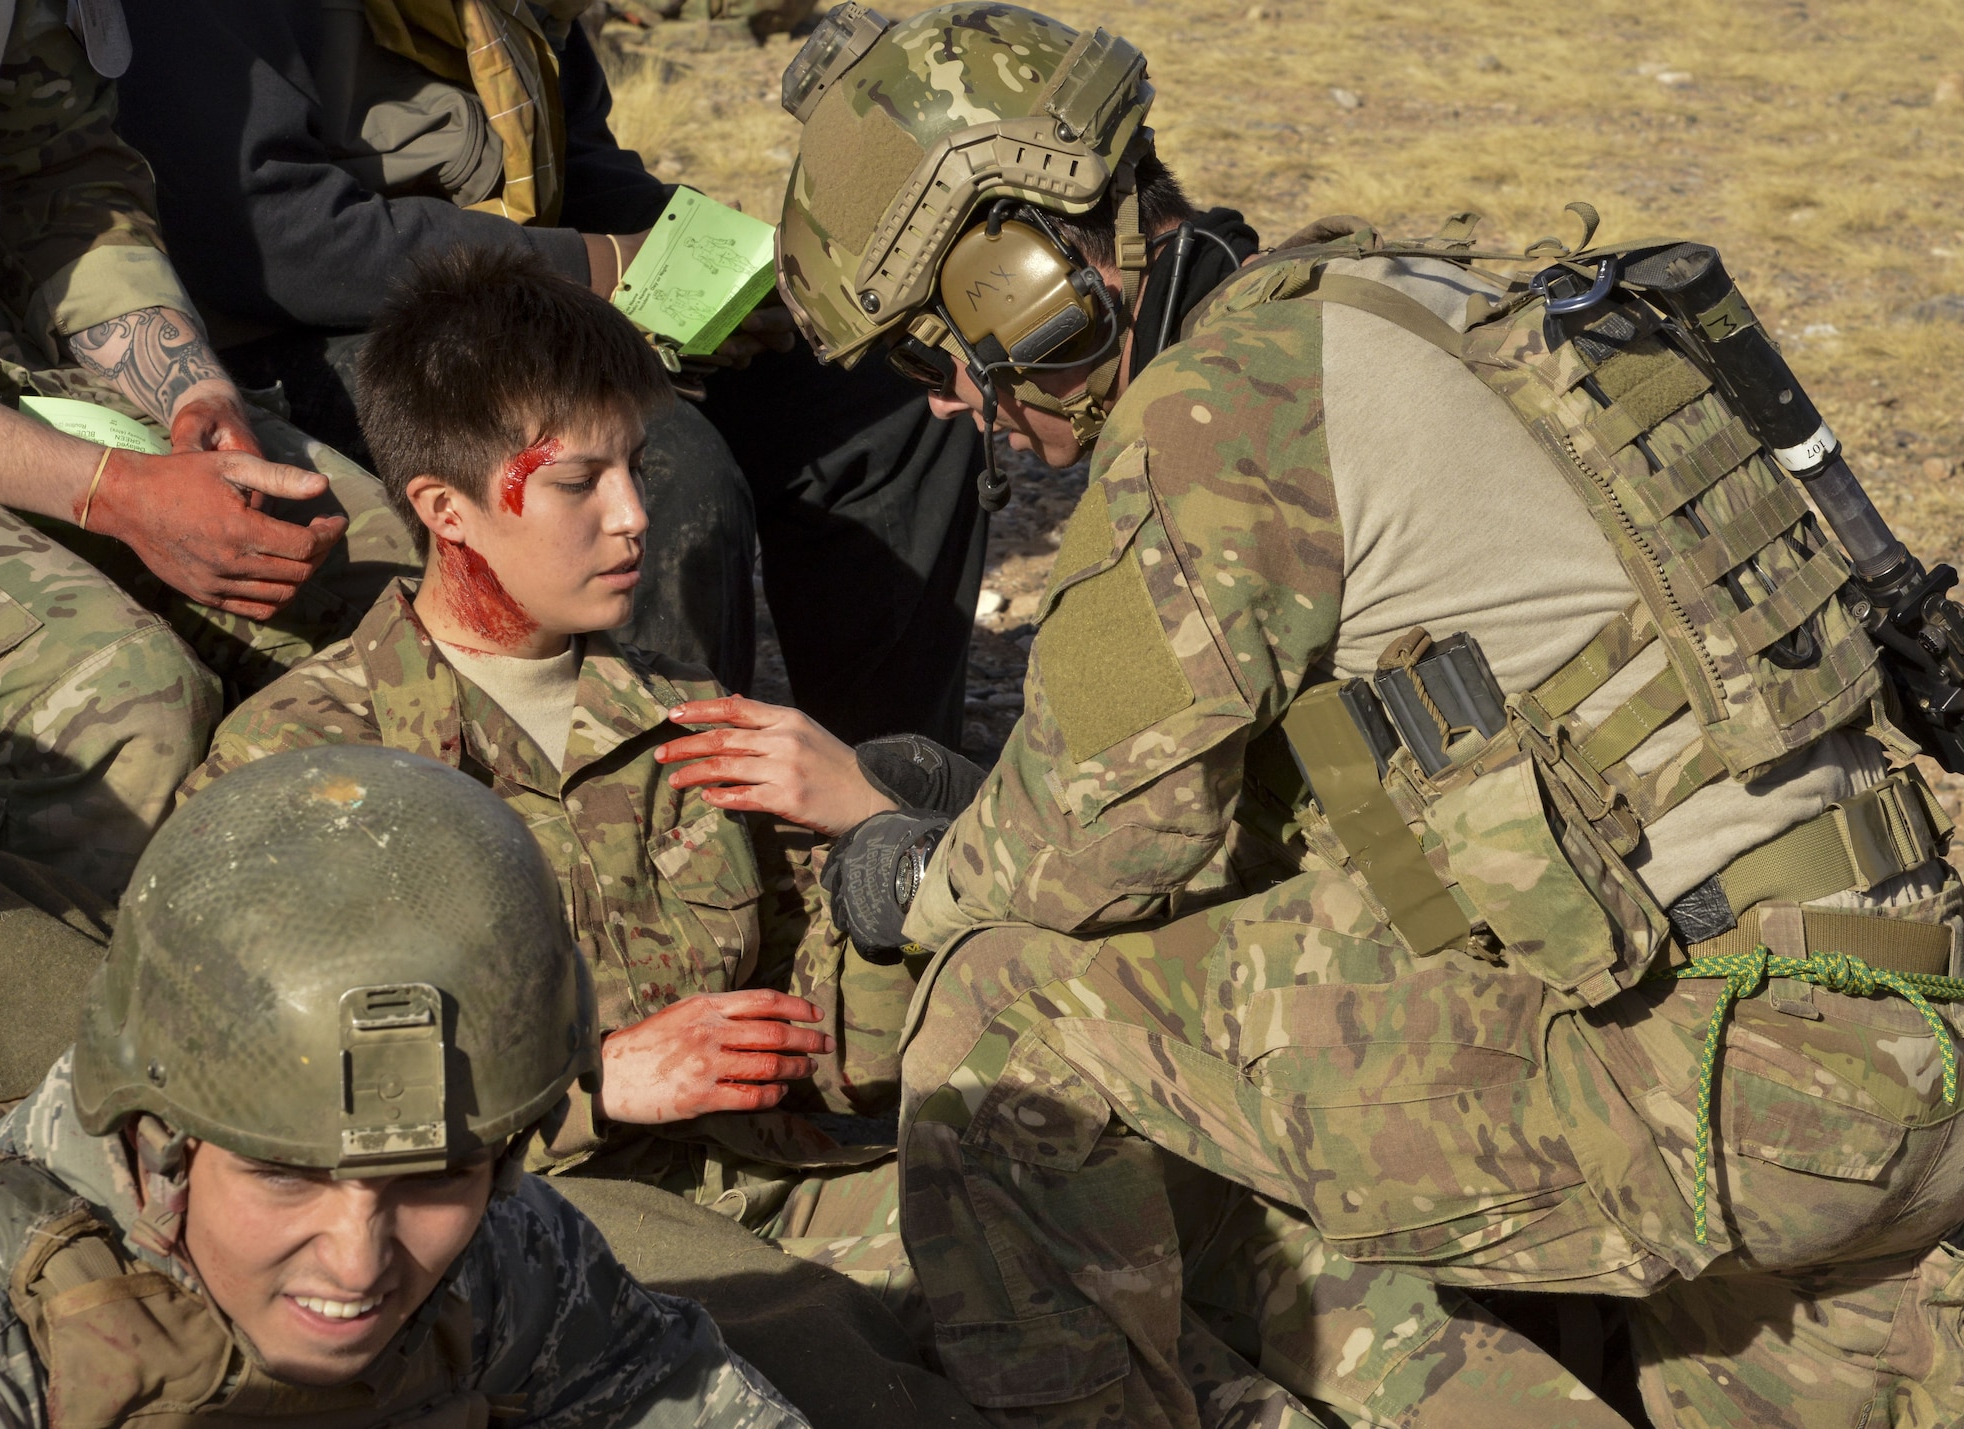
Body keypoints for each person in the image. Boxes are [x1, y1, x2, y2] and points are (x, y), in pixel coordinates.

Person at [774, 5, 1964, 1426]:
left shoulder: (1222, 415)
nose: (959, 407)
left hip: (1714, 1087)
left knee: (1010, 1007)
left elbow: (1084, 851)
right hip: (1890, 1037)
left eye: (931, 354)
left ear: (1021, 274)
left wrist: (900, 870)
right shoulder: (1412, 299)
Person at [177, 247, 970, 1341]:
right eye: (577, 481)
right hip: (494, 1237)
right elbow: (248, 1102)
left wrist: (882, 856)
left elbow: (817, 1037)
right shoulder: (307, 767)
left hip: (758, 1186)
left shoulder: (687, 721)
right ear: (445, 510)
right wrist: (589, 1087)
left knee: (1070, 1224)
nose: (635, 513)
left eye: (636, 467)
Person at [111, 0, 988, 745]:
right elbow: (271, 239)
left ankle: (877, 802)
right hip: (302, 334)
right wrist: (605, 272)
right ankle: (660, 851)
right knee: (658, 481)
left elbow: (578, 165)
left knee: (890, 395)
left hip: (514, 290)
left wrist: (734, 268)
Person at [0, 742, 806, 1425]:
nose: (358, 1260)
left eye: (434, 1174)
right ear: (157, 1140)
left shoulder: (500, 1256)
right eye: (285, 1175)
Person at [0, 0, 419, 899]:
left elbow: (58, 170)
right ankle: (69, 1021)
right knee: (130, 711)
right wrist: (117, 493)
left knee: (391, 581)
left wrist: (188, 390)